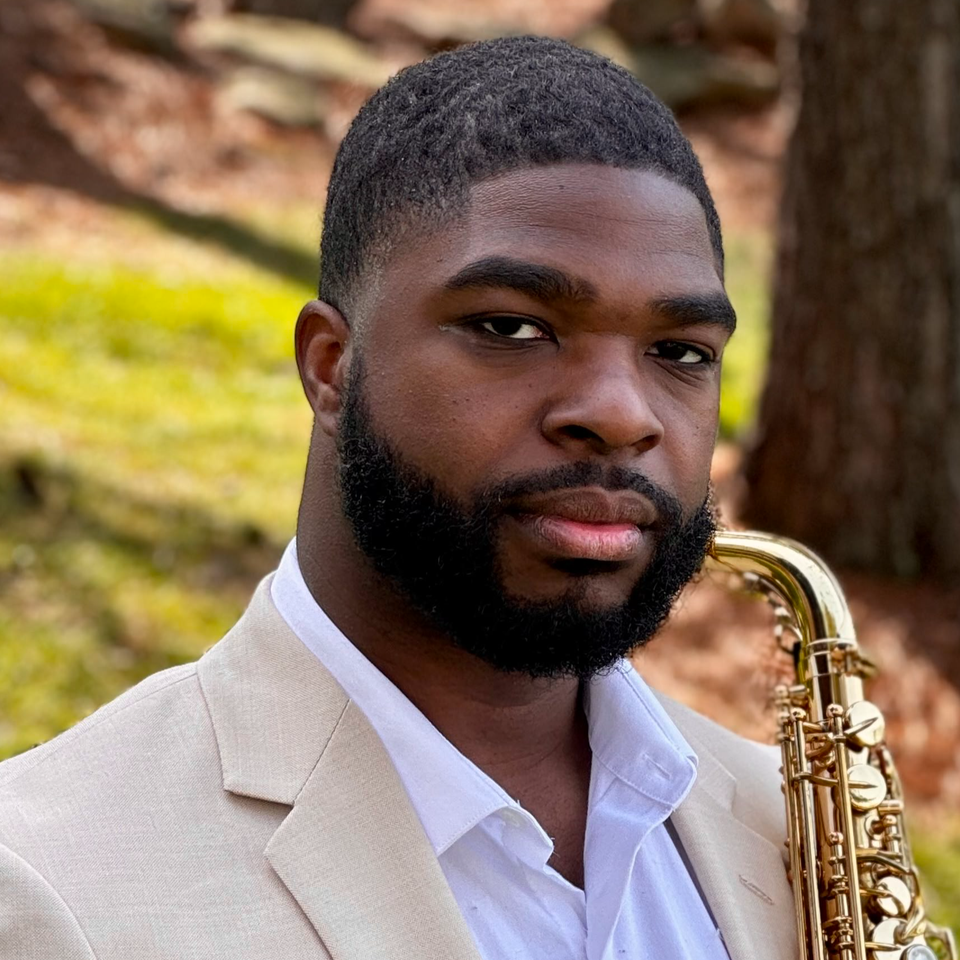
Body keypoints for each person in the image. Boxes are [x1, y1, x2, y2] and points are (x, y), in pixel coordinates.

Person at [0, 35, 797, 960]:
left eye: (680, 352)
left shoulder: (787, 830)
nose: (622, 416)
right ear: (330, 367)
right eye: (512, 328)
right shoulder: (48, 884)